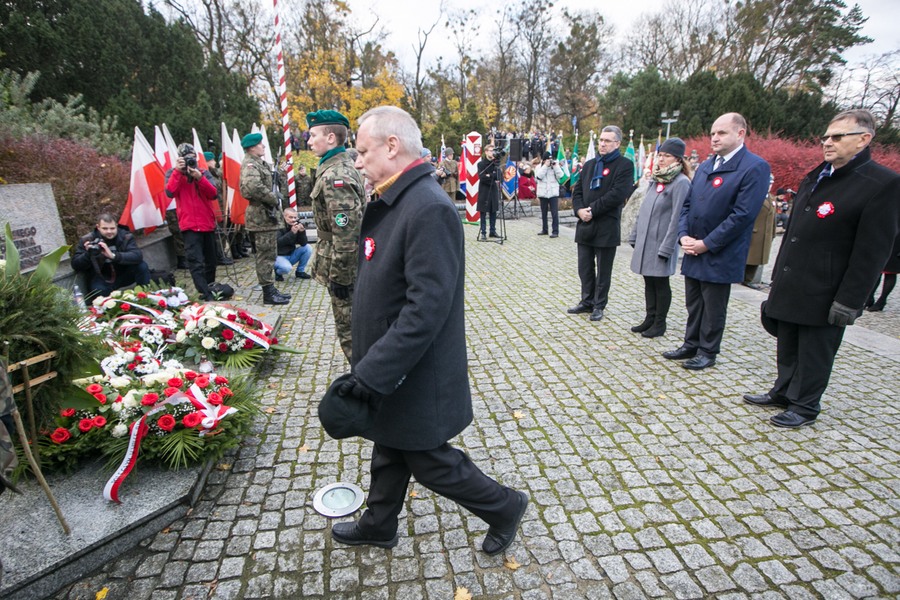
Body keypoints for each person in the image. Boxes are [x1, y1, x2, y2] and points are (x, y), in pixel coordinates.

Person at [329, 105, 528, 556]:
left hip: (414, 369)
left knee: (429, 460)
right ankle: (379, 524)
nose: (357, 161)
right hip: (394, 365)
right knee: (389, 445)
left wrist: (371, 374)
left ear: (392, 146)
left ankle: (505, 506)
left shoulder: (428, 208)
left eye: (362, 152)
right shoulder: (398, 198)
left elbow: (426, 309)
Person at [747, 109, 900, 428]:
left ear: (863, 139)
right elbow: (793, 233)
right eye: (826, 137)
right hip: (794, 279)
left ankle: (805, 405)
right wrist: (778, 277)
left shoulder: (881, 184)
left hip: (827, 286)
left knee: (816, 349)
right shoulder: (816, 176)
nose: (827, 142)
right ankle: (784, 391)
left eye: (837, 137)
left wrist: (850, 300)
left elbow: (873, 250)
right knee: (788, 342)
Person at [663, 113, 770, 370]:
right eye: (713, 133)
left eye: (721, 133)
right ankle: (691, 343)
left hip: (720, 251)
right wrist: (683, 235)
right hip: (694, 246)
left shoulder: (754, 167)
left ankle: (708, 351)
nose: (714, 138)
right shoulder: (707, 165)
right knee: (694, 302)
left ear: (740, 133)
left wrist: (707, 243)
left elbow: (743, 215)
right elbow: (688, 205)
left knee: (713, 306)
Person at [306, 109, 366, 362]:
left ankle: (363, 378)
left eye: (313, 135)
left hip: (343, 265)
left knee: (350, 330)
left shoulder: (336, 175)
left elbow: (346, 232)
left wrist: (341, 277)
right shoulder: (333, 168)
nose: (309, 141)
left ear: (330, 138)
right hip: (340, 259)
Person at [627, 137, 693, 338]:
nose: (661, 159)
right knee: (649, 280)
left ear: (678, 159)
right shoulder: (657, 179)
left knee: (660, 282)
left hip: (662, 241)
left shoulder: (681, 182)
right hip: (647, 241)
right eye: (660, 155)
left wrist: (668, 246)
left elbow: (677, 217)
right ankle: (650, 318)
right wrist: (635, 234)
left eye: (667, 156)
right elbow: (643, 210)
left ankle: (659, 323)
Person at [567, 125, 634, 322]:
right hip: (585, 224)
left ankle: (599, 304)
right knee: (585, 268)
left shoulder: (624, 165)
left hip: (606, 225)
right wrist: (579, 210)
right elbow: (578, 191)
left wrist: (592, 210)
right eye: (601, 140)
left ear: (617, 143)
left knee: (604, 270)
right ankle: (586, 301)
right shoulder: (590, 165)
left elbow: (617, 194)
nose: (602, 144)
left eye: (607, 141)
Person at [165, 143, 222, 300]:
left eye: (192, 158)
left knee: (211, 260)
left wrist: (199, 178)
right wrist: (178, 172)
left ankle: (210, 286)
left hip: (206, 223)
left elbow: (213, 194)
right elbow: (170, 192)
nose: (190, 161)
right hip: (189, 225)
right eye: (186, 158)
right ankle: (204, 292)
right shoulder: (173, 173)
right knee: (195, 261)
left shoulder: (203, 173)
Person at [240, 132, 290, 306]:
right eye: (260, 144)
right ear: (252, 147)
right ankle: (268, 293)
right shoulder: (251, 165)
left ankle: (271, 288)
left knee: (270, 254)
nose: (263, 146)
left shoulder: (259, 164)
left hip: (266, 216)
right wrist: (273, 198)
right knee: (265, 257)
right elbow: (253, 187)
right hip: (261, 217)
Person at [72, 213, 151, 296]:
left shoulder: (125, 236)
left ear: (116, 226)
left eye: (112, 228)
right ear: (98, 227)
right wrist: (88, 254)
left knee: (142, 266)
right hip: (102, 276)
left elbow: (137, 256)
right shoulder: (88, 239)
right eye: (105, 228)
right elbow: (76, 264)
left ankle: (144, 295)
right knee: (98, 290)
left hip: (124, 272)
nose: (109, 232)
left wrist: (113, 256)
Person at [743, 175, 777, 289]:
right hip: (754, 232)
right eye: (768, 183)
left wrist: (773, 232)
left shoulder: (771, 198)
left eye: (771, 184)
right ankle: (744, 278)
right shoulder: (754, 195)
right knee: (749, 257)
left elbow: (773, 218)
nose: (769, 186)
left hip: (765, 233)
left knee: (758, 258)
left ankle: (749, 279)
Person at [274, 208, 313, 282]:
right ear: (284, 217)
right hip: (279, 256)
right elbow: (278, 243)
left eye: (295, 217)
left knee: (308, 248)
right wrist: (291, 233)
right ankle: (278, 272)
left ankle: (300, 271)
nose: (293, 220)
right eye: (290, 217)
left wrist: (302, 232)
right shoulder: (278, 226)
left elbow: (303, 243)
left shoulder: (296, 225)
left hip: (291, 254)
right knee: (286, 268)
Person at [866, 231, 900, 311]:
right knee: (876, 270)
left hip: (897, 241)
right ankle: (869, 298)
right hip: (884, 237)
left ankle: (882, 301)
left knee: (890, 272)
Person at [535, 152, 563, 237]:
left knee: (554, 213)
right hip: (543, 193)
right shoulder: (539, 167)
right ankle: (545, 229)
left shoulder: (554, 166)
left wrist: (556, 166)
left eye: (550, 159)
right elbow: (538, 177)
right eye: (548, 160)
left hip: (553, 193)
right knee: (544, 213)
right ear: (544, 160)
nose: (550, 161)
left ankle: (555, 231)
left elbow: (561, 175)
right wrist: (545, 166)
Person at [477, 144, 502, 239]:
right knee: (483, 211)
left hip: (493, 190)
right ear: (486, 152)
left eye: (493, 151)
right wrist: (492, 176)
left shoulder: (496, 163)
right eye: (491, 151)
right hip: (484, 190)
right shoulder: (481, 164)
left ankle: (492, 231)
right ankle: (483, 232)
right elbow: (482, 178)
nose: (492, 153)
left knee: (493, 210)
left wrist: (490, 175)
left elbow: (499, 177)